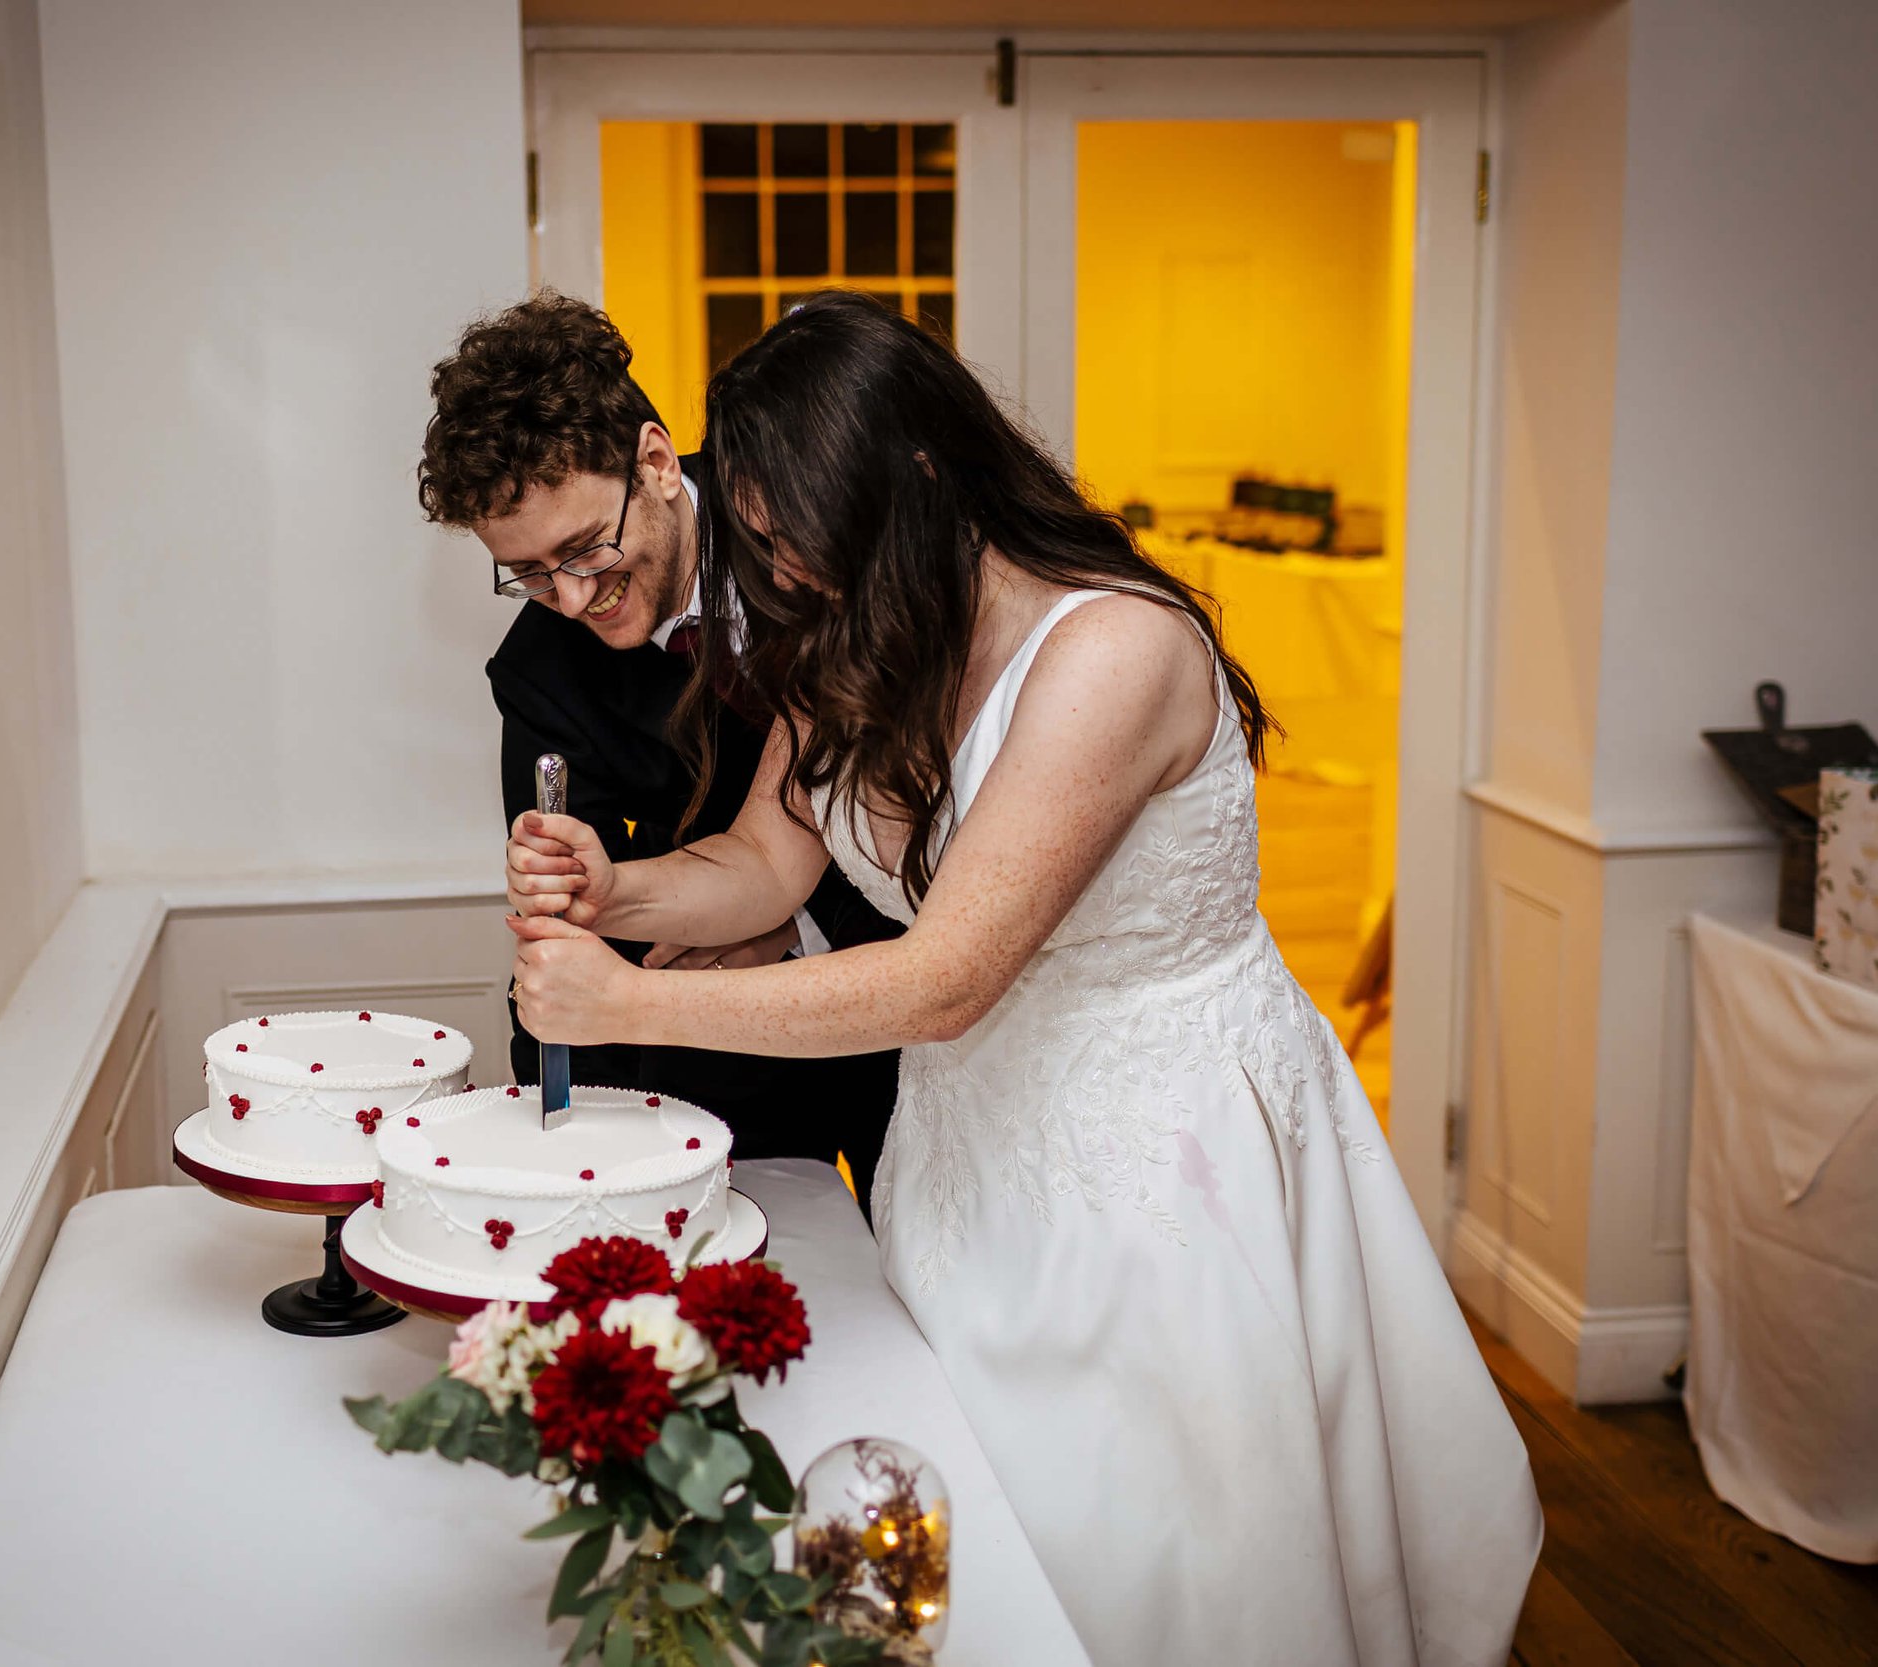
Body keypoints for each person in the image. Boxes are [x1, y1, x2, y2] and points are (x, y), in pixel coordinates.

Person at [501, 294, 1540, 1665]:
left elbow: (946, 977)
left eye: (793, 527)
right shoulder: (858, 629)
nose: (780, 572)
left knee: (1165, 1557)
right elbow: (765, 858)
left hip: (1162, 1180)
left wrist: (628, 1006)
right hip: (967, 1160)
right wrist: (611, 889)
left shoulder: (1115, 650)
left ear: (918, 474)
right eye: (753, 536)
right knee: (978, 1544)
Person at [418, 294, 902, 1208]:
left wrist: (789, 931)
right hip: (712, 1062)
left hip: (911, 1021)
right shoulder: (538, 671)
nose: (567, 596)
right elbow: (579, 920)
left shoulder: (803, 529)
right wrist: (559, 1135)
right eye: (525, 571)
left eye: (585, 548)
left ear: (654, 460)